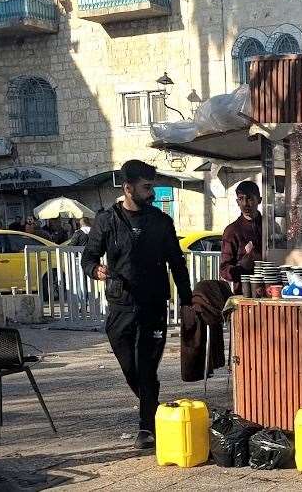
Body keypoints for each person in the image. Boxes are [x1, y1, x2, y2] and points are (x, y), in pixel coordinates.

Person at [82, 160, 192, 449]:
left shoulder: (160, 221)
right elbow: (89, 258)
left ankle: (146, 427)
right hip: (121, 305)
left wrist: (187, 300)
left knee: (146, 367)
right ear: (128, 188)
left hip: (154, 305)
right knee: (129, 366)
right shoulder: (107, 220)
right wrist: (96, 270)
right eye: (146, 187)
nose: (151, 192)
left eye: (152, 186)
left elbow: (177, 264)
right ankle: (154, 410)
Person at [220, 181, 263, 295]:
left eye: (249, 198)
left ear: (259, 200)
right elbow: (224, 270)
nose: (245, 203)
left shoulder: (270, 227)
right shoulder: (232, 231)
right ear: (237, 202)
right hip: (245, 294)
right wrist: (242, 267)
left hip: (272, 291)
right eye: (241, 199)